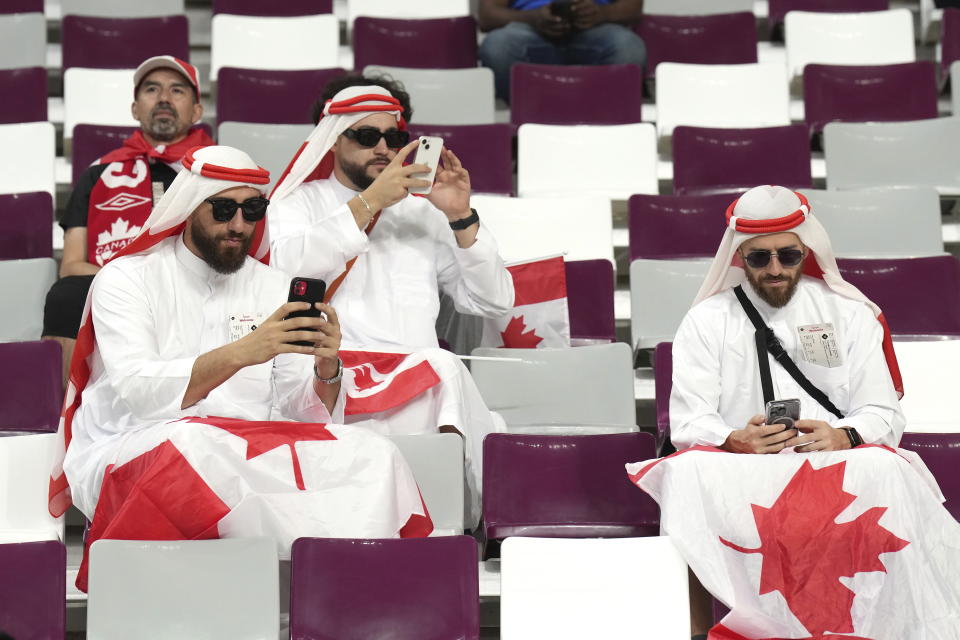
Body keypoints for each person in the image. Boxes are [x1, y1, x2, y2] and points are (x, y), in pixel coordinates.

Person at [56, 145, 432, 591]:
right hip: (137, 441)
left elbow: (300, 409)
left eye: (252, 209)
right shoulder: (126, 279)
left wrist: (327, 370)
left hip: (246, 446)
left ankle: (348, 603)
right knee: (190, 442)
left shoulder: (275, 287)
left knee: (373, 454)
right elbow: (139, 391)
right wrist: (244, 351)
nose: (239, 225)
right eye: (223, 209)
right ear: (189, 207)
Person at [627, 186, 960, 639]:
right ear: (739, 257)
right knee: (686, 475)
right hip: (745, 469)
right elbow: (688, 420)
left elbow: (883, 410)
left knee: (886, 466)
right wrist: (733, 439)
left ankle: (890, 625)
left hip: (836, 460)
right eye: (759, 258)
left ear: (807, 250)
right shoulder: (708, 320)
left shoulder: (848, 312)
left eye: (787, 255)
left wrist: (845, 436)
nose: (776, 269)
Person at [267, 78, 515, 526]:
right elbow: (284, 271)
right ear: (332, 140)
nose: (382, 147)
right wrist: (370, 203)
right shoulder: (295, 204)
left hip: (415, 390)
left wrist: (460, 215)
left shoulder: (424, 210)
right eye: (366, 136)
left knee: (443, 376)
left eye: (394, 137)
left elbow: (494, 301)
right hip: (329, 385)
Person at [42, 55, 214, 385]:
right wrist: (127, 277)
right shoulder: (99, 173)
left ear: (196, 111)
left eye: (177, 90)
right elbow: (72, 264)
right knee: (66, 295)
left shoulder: (215, 171)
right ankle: (64, 414)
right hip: (111, 282)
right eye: (152, 89)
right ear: (135, 109)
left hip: (194, 281)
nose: (164, 98)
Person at [477, 0, 646, 103]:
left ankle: (608, 123)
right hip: (528, 28)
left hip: (598, 30)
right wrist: (533, 17)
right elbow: (487, 15)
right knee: (497, 47)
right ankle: (523, 121)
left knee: (629, 48)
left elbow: (634, 8)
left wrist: (601, 13)